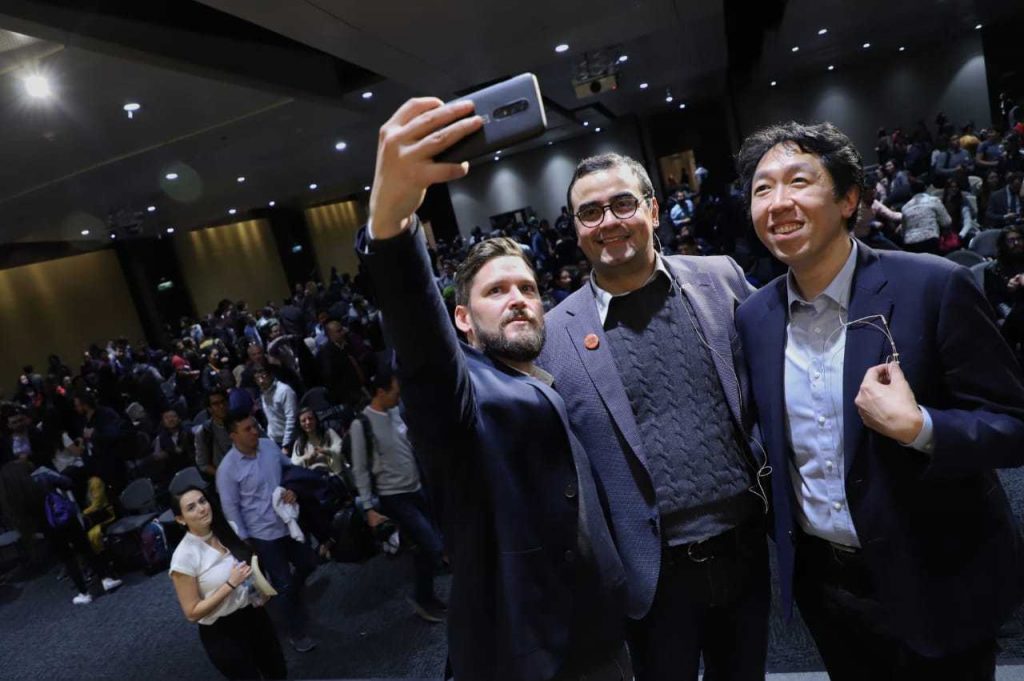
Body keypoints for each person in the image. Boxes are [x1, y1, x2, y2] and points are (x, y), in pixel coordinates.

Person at [734, 120, 1024, 680]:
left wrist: (922, 428)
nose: (778, 202)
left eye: (799, 181)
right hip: (830, 591)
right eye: (762, 189)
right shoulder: (755, 317)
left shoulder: (934, 286)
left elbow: (1013, 426)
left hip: (937, 579)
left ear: (849, 199)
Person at [359, 96, 629, 681]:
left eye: (527, 289)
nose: (518, 300)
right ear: (462, 319)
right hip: (525, 657)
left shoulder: (546, 376)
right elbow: (423, 347)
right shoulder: (462, 392)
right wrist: (392, 227)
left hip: (599, 636)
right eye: (496, 291)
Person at [539, 152, 768, 681]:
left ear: (654, 210)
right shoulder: (553, 338)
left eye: (623, 204)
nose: (608, 222)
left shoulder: (720, 280)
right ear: (576, 229)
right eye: (590, 212)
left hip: (746, 550)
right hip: (650, 573)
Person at [350, 369, 446, 623]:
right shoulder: (362, 424)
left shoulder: (395, 413)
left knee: (425, 547)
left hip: (417, 488)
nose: (398, 396)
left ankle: (426, 597)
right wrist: (369, 508)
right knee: (432, 545)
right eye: (395, 392)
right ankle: (422, 597)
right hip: (395, 496)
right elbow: (360, 469)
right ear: (381, 392)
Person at [216, 413, 318, 653]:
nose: (254, 431)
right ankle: (296, 632)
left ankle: (290, 596)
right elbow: (231, 509)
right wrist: (245, 540)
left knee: (309, 563)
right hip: (263, 535)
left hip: (288, 523)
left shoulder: (269, 447)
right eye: (247, 429)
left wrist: (292, 488)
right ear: (233, 435)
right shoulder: (227, 469)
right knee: (283, 583)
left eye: (255, 426)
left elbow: (290, 470)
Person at [169, 486, 286, 680]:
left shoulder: (227, 529)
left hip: (253, 614)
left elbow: (245, 566)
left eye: (202, 501)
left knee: (278, 672)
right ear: (181, 519)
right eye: (191, 507)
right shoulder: (184, 557)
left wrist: (257, 589)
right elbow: (192, 612)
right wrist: (230, 585)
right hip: (222, 631)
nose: (201, 508)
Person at [254, 366, 298, 452]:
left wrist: (286, 444)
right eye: (257, 378)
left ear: (270, 375)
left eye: (263, 376)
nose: (261, 381)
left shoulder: (284, 391)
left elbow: (291, 418)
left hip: (290, 440)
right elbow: (270, 419)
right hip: (274, 440)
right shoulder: (263, 393)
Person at [290, 406, 342, 474]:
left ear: (316, 420)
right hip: (311, 476)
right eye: (303, 421)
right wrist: (306, 458)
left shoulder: (329, 433)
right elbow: (294, 463)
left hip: (332, 475)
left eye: (310, 418)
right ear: (299, 424)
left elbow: (341, 449)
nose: (308, 422)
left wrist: (326, 451)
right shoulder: (299, 443)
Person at [195, 389, 233, 478]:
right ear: (209, 409)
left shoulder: (243, 421)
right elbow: (203, 464)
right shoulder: (204, 432)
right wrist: (223, 475)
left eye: (223, 402)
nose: (221, 406)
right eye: (216, 404)